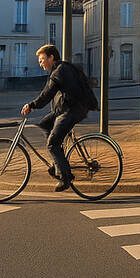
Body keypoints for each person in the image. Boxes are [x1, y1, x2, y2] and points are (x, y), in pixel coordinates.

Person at [21, 44, 96, 191]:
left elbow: (47, 94)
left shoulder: (59, 72)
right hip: (68, 107)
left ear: (51, 57)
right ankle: (58, 163)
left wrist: (31, 105)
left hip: (73, 110)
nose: (40, 63)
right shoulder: (61, 68)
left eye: (42, 59)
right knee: (44, 124)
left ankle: (65, 177)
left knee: (52, 144)